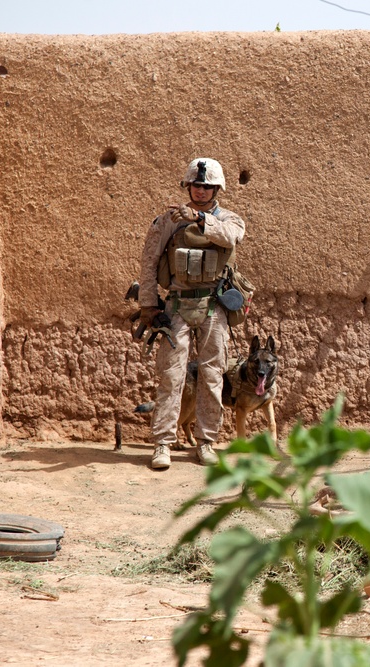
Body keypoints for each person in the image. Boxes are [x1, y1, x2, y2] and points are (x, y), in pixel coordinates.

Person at [138, 157, 245, 469]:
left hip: (214, 306)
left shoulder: (230, 219)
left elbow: (229, 238)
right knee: (172, 376)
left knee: (212, 376)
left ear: (217, 189)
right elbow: (149, 262)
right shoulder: (168, 220)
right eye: (197, 185)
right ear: (188, 186)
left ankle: (207, 441)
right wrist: (148, 304)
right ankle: (162, 443)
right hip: (178, 305)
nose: (201, 191)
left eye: (208, 186)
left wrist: (198, 220)